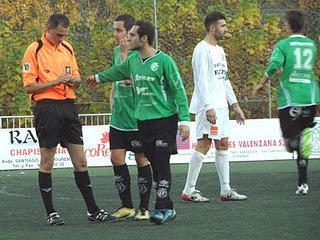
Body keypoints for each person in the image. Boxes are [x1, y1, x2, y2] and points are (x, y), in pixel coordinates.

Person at [86, 20, 190, 224]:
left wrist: (185, 120)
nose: (129, 38)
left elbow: (178, 90)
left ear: (145, 38)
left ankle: (159, 209)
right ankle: (168, 206)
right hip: (142, 121)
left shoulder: (164, 61)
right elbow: (118, 71)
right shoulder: (133, 60)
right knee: (156, 166)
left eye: (133, 35)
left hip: (164, 120)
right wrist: (97, 78)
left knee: (161, 161)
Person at [21, 14, 117, 225]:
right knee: (47, 162)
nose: (61, 39)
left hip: (68, 107)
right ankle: (51, 213)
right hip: (46, 108)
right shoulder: (34, 49)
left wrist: (74, 80)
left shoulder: (68, 48)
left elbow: (77, 76)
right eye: (58, 35)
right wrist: (55, 81)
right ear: (48, 28)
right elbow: (28, 86)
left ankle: (93, 210)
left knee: (81, 161)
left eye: (64, 35)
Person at [181, 11, 247, 203]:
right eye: (223, 26)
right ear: (212, 28)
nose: (226, 30)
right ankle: (189, 190)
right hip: (207, 106)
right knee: (204, 143)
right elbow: (201, 80)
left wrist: (235, 105)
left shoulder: (219, 50)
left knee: (223, 143)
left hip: (221, 107)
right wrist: (208, 106)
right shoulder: (201, 49)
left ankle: (226, 190)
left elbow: (224, 79)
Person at [253, 10, 319, 195]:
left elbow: (274, 65)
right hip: (311, 96)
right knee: (303, 143)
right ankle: (303, 184)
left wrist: (260, 84)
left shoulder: (283, 45)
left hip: (290, 98)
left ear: (289, 25)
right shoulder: (312, 45)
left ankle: (297, 142)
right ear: (303, 25)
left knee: (289, 144)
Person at [108, 14, 152, 221]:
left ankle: (143, 208)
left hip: (136, 119)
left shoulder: (136, 55)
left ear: (129, 33)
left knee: (141, 159)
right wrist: (112, 105)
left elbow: (128, 77)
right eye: (115, 30)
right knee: (116, 158)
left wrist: (125, 52)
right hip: (118, 119)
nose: (115, 34)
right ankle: (126, 206)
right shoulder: (116, 52)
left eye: (119, 31)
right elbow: (115, 80)